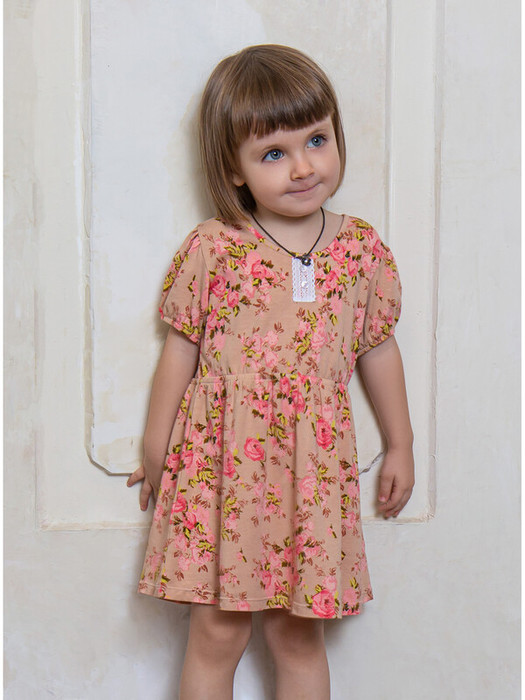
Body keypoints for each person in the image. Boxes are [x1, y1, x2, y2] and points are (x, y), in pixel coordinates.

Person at [127, 44, 414, 700]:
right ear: (234, 167)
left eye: (316, 140)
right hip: (221, 466)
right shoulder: (214, 246)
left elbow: (377, 348)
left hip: (312, 473)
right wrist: (156, 446)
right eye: (273, 153)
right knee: (216, 632)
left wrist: (400, 443)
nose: (303, 166)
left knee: (297, 636)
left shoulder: (360, 249)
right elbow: (181, 350)